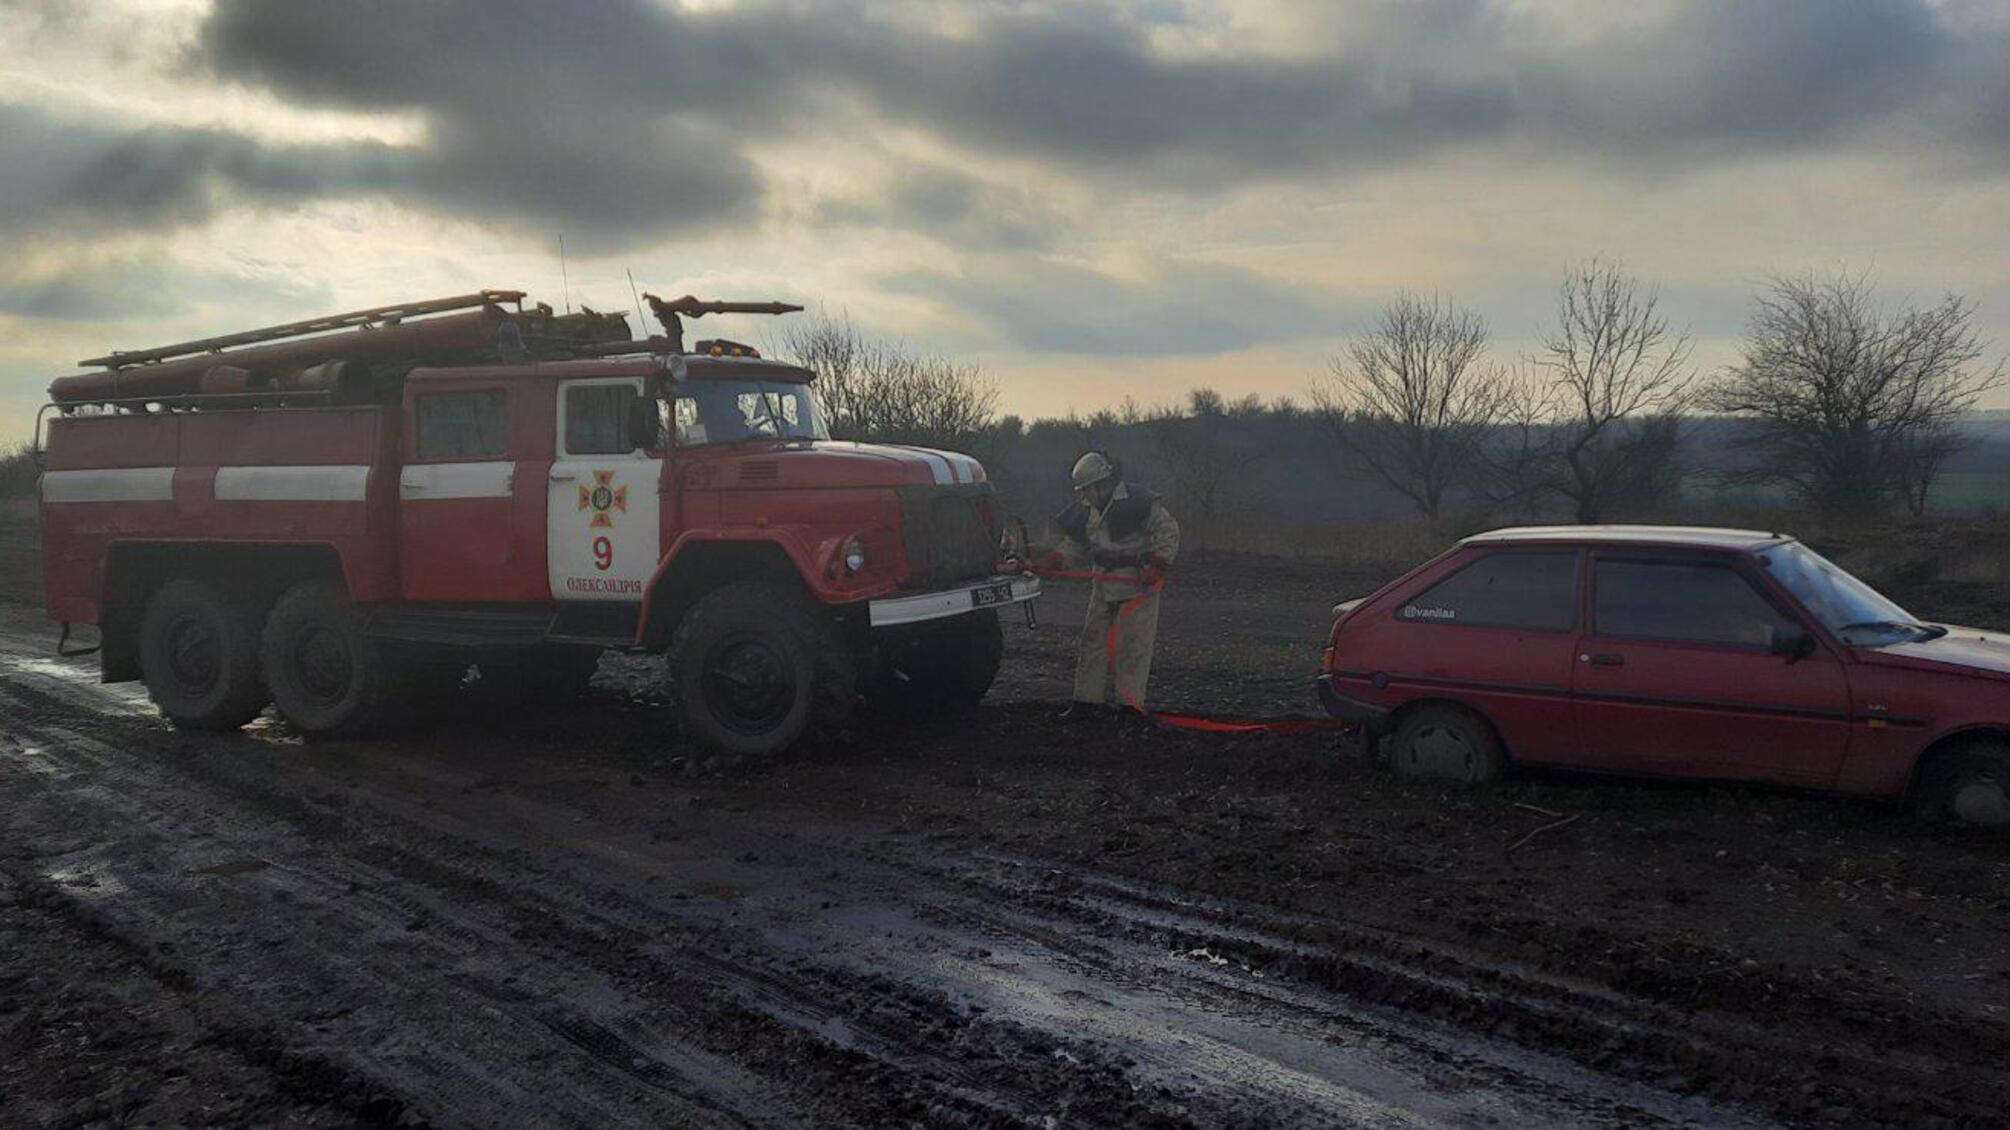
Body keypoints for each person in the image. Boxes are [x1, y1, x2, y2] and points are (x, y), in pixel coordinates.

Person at [1034, 451, 1179, 721]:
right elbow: (1076, 546)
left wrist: (1157, 565)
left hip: (1137, 587)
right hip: (1102, 586)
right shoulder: (1087, 510)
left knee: (1132, 649)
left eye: (1086, 489)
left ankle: (1129, 710)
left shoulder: (1140, 503)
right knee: (1092, 644)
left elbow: (1167, 532)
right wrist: (1055, 560)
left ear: (1102, 485)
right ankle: (1086, 704)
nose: (1083, 496)